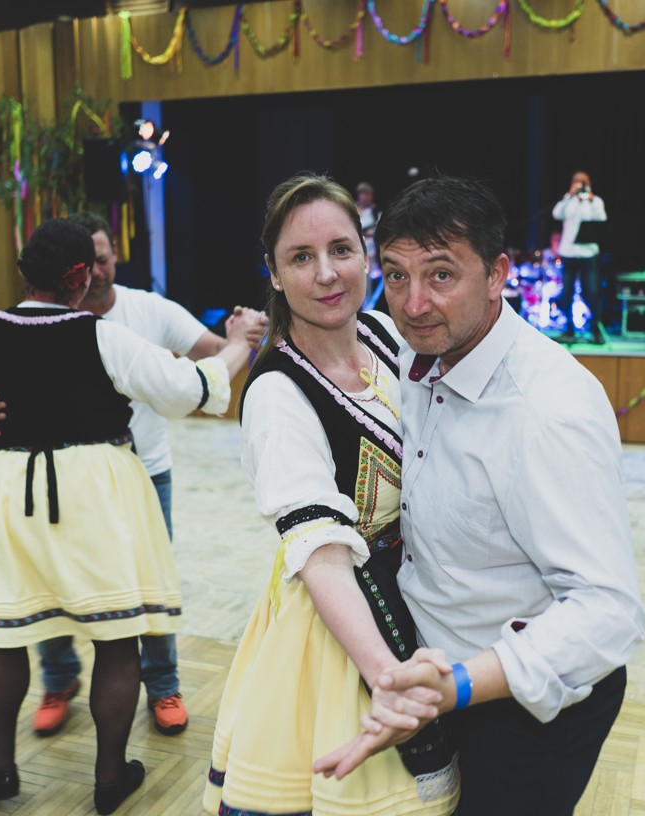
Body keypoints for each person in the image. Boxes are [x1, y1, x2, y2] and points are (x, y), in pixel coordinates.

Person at [315, 176, 645, 816]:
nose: (413, 304)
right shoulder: (422, 354)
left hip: (526, 706)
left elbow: (609, 612)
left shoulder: (545, 411)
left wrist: (459, 686)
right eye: (396, 276)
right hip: (436, 675)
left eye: (441, 275)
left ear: (497, 274)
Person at [0, 218, 261, 814]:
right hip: (96, 494)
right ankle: (109, 777)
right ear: (79, 277)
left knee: (1, 634)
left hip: (9, 492)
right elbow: (187, 390)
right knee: (116, 635)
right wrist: (238, 342)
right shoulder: (103, 336)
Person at [203, 174, 459, 816]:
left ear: (365, 253)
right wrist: (383, 675)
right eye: (301, 257)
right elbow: (321, 553)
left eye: (341, 249)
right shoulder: (277, 393)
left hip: (416, 592)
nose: (326, 274)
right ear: (274, 273)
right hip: (339, 621)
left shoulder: (381, 332)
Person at [552, 170, 608, 342]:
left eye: (582, 181)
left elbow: (602, 218)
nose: (579, 184)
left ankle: (596, 330)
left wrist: (589, 200)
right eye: (576, 181)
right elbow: (556, 214)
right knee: (567, 293)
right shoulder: (568, 200)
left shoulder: (596, 201)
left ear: (588, 184)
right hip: (569, 252)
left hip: (588, 253)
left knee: (590, 291)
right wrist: (568, 195)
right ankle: (569, 330)